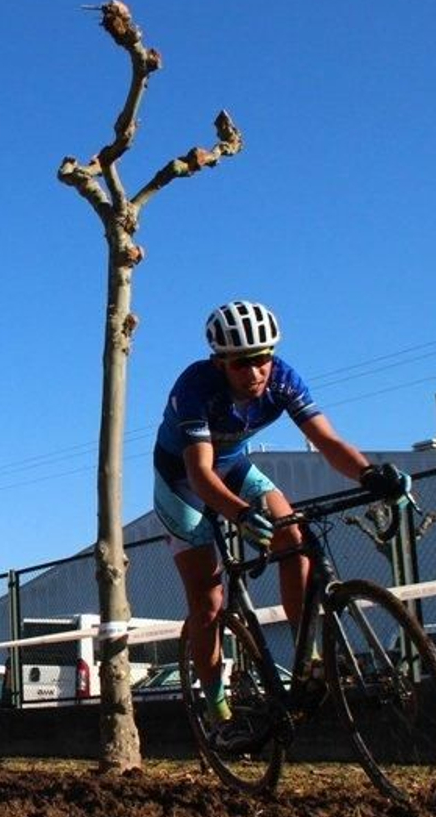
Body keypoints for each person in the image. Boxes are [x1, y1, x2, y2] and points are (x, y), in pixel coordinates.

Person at [154, 299, 410, 745]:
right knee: (209, 603)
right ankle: (217, 713)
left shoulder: (285, 379)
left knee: (291, 534)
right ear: (220, 362)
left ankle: (304, 655)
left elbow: (326, 440)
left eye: (263, 359)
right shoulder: (195, 387)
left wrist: (370, 473)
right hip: (183, 482)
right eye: (242, 364)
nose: (255, 373)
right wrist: (239, 513)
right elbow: (199, 473)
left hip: (233, 467)